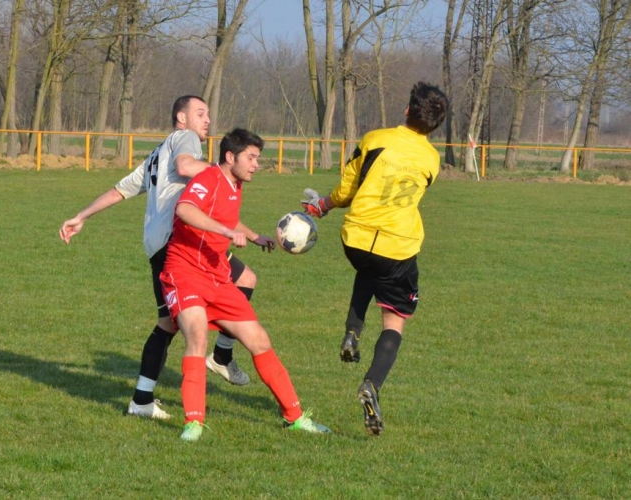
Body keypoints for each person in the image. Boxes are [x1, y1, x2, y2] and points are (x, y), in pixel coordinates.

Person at [60, 95, 255, 420]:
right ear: (181, 117)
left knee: (174, 320)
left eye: (208, 114)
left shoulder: (156, 155)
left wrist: (81, 216)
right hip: (177, 243)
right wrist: (223, 168)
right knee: (229, 290)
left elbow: (120, 190)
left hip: (157, 245)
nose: (207, 120)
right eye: (200, 113)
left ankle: (142, 398)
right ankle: (220, 356)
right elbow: (186, 166)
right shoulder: (185, 139)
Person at [160, 128, 331, 441]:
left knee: (260, 341)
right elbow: (185, 210)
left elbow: (226, 216)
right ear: (230, 157)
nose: (256, 164)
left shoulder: (234, 185)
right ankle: (193, 422)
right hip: (184, 273)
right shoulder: (208, 178)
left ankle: (295, 417)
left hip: (218, 276)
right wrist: (226, 233)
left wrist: (253, 236)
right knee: (197, 338)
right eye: (251, 158)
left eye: (257, 158)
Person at [301, 81, 448, 436]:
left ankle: (352, 332)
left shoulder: (375, 139)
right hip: (398, 246)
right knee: (395, 319)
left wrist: (323, 204)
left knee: (368, 266)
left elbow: (348, 188)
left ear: (407, 110)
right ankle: (372, 384)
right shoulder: (432, 160)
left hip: (355, 237)